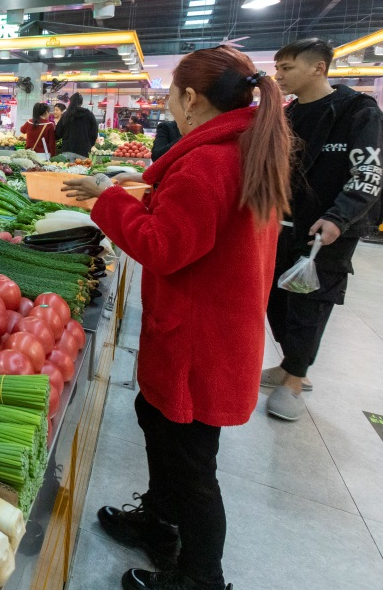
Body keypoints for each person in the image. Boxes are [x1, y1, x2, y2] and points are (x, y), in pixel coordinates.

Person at [62, 46, 292, 590]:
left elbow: (163, 246)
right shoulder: (244, 147)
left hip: (199, 337)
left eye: (169, 96)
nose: (167, 105)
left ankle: (200, 578)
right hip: (215, 324)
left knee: (191, 465)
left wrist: (110, 198)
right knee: (157, 423)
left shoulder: (209, 162)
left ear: (190, 98)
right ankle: (159, 524)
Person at [262, 39, 383, 420]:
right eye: (278, 68)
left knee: (309, 305)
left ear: (318, 68)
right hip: (280, 225)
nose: (279, 76)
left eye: (287, 68)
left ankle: (295, 380)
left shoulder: (357, 112)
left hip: (324, 233)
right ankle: (289, 363)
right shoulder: (290, 114)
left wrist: (339, 216)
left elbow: (370, 172)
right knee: (274, 300)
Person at [54, 92, 98, 156]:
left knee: (68, 166)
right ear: (81, 102)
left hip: (68, 150)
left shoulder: (66, 115)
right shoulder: (89, 114)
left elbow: (58, 133)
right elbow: (94, 133)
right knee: (82, 166)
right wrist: (89, 144)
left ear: (70, 102)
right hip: (84, 151)